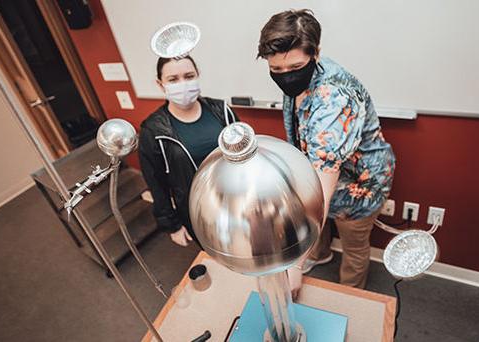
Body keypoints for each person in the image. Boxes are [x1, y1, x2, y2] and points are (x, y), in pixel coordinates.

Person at [257, 10, 396, 290]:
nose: (286, 77)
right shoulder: (300, 70)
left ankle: (350, 295)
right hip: (322, 175)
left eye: (295, 69)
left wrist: (294, 263)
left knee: (354, 247)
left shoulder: (334, 99)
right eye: (276, 70)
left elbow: (322, 188)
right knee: (316, 220)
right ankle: (319, 255)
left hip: (361, 185)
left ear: (315, 54)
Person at [139, 55, 238, 248]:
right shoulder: (153, 130)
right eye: (173, 79)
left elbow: (245, 151)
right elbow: (156, 182)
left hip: (237, 201)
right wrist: (172, 225)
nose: (182, 84)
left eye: (189, 76)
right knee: (220, 256)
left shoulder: (221, 110)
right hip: (199, 213)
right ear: (160, 84)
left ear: (198, 75)